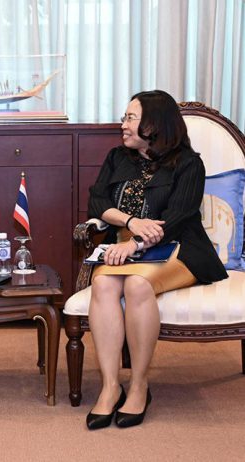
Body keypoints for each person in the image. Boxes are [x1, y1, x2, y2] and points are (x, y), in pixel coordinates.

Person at [85, 90, 227, 430]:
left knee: (137, 285)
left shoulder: (189, 163)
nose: (123, 125)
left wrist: (135, 243)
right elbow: (97, 202)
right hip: (124, 245)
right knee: (102, 284)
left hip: (178, 247)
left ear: (154, 124)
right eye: (125, 117)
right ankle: (110, 386)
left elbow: (178, 217)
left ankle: (139, 385)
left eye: (131, 118)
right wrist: (131, 222)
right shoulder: (117, 157)